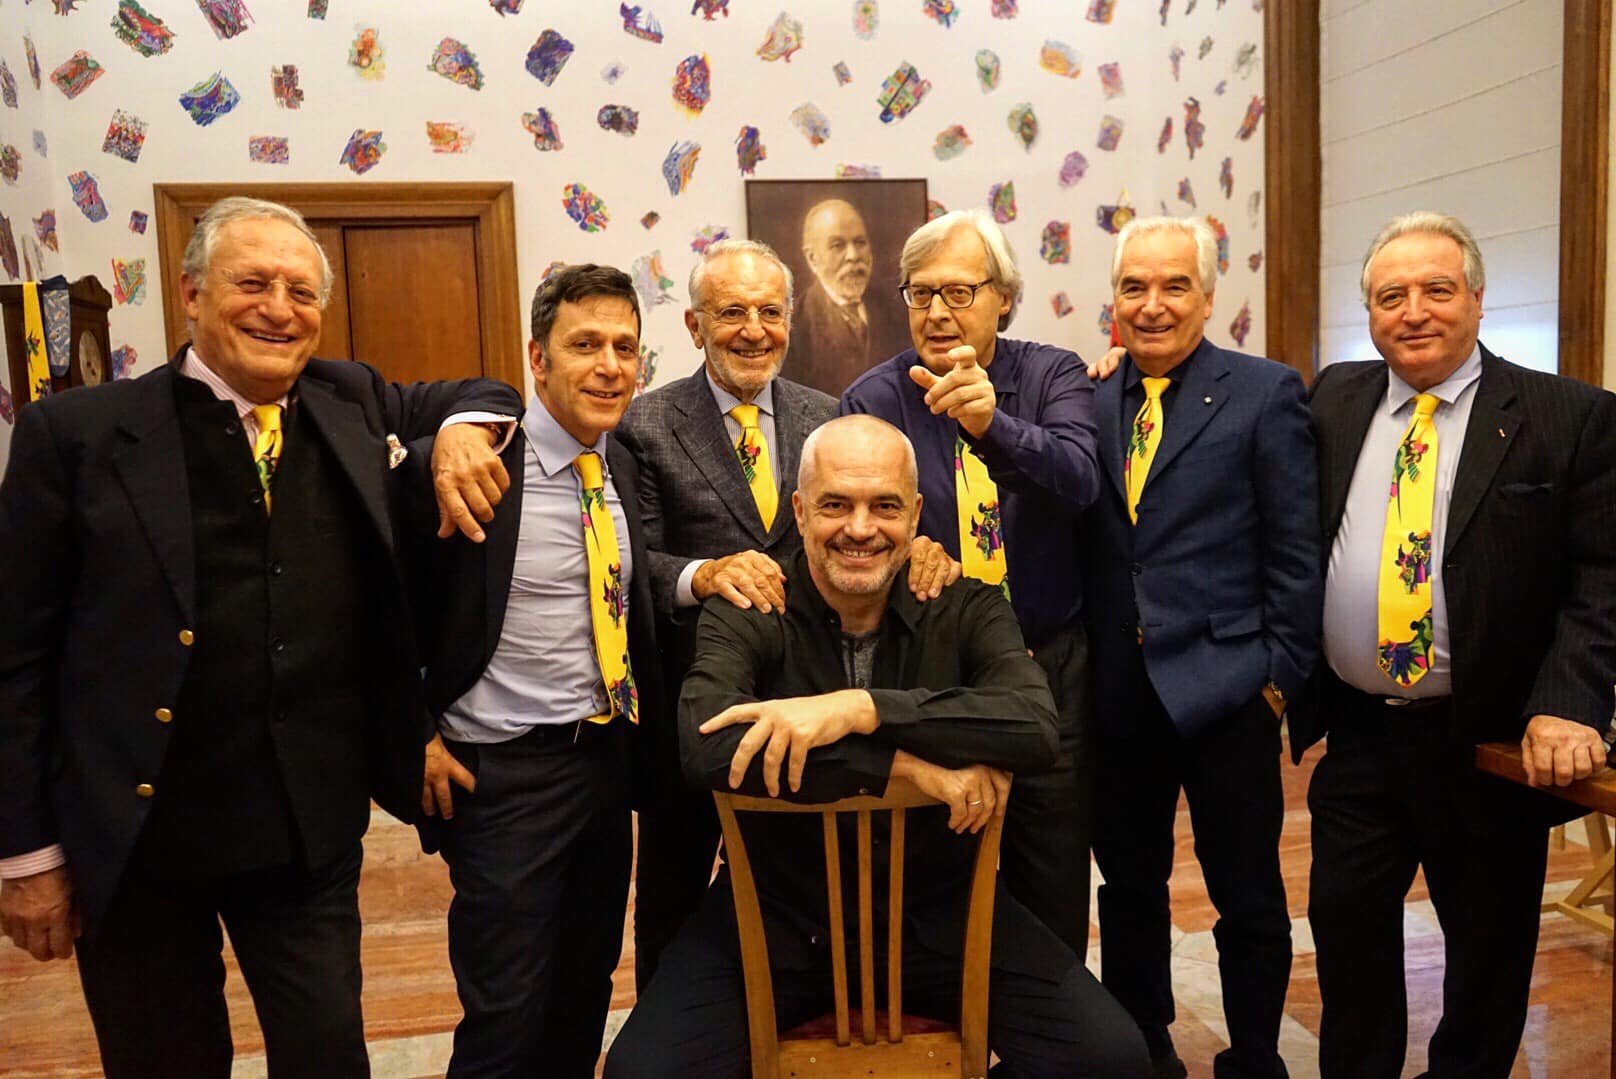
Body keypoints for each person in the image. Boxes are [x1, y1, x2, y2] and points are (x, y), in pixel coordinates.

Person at [0, 196, 521, 1076]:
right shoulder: (76, 436)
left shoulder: (351, 399)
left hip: (304, 829)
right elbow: (15, 656)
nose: (279, 308)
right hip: (137, 834)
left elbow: (486, 394)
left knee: (328, 1053)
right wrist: (27, 852)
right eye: (252, 283)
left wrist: (459, 438)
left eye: (301, 291)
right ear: (191, 293)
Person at [603, 415, 1151, 1079]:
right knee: (640, 1071)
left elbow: (1035, 724)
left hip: (943, 915)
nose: (860, 528)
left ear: (915, 514)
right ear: (800, 511)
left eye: (884, 507)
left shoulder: (967, 605)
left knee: (1113, 1059)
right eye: (836, 504)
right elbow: (706, 746)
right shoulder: (752, 605)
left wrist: (860, 709)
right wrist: (904, 765)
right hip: (776, 920)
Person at [1296, 211, 1616, 1077]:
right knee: (1347, 942)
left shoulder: (1568, 417)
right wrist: (1119, 373)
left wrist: (1568, 701)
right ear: (1368, 312)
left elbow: (1602, 577)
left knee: (1485, 962)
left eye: (1436, 290)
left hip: (1484, 743)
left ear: (1477, 297)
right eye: (1390, 296)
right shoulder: (1332, 399)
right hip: (1358, 736)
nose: (1414, 312)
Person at [616, 239, 955, 986]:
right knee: (675, 899)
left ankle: (807, 1008)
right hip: (699, 707)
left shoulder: (827, 414)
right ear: (695, 326)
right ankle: (678, 1027)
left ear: (790, 322)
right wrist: (704, 575)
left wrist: (923, 549)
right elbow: (633, 563)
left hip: (814, 703)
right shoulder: (644, 424)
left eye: (770, 312)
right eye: (731, 312)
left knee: (809, 885)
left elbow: (864, 530)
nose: (753, 330)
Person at [404, 265, 660, 1078]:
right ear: (538, 358)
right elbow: (377, 610)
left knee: (582, 993)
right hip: (503, 778)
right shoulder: (471, 467)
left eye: (625, 347)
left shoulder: (620, 465)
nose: (610, 366)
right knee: (507, 1016)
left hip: (604, 764)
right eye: (586, 345)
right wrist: (412, 731)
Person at [1083, 216, 1320, 1079]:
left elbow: (1296, 552)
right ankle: (1144, 1048)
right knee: (1130, 890)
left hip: (1229, 692)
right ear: (1113, 300)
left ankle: (1255, 1054)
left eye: (1173, 285)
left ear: (1209, 297)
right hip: (1117, 694)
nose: (1152, 305)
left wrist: (1277, 679)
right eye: (1134, 287)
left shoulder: (1264, 392)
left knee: (1248, 897)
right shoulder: (1084, 397)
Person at [839, 209, 1102, 959]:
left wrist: (994, 427)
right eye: (920, 293)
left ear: (1004, 298)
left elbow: (1081, 482)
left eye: (959, 292)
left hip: (1047, 665)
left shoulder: (1051, 374)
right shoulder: (874, 399)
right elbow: (849, 531)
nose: (937, 312)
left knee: (1051, 876)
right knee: (937, 881)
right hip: (936, 675)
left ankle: (1045, 1015)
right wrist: (900, 551)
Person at [790, 198, 906, 395]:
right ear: (812, 259)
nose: (853, 255)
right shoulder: (795, 328)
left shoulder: (897, 312)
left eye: (860, 243)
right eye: (838, 245)